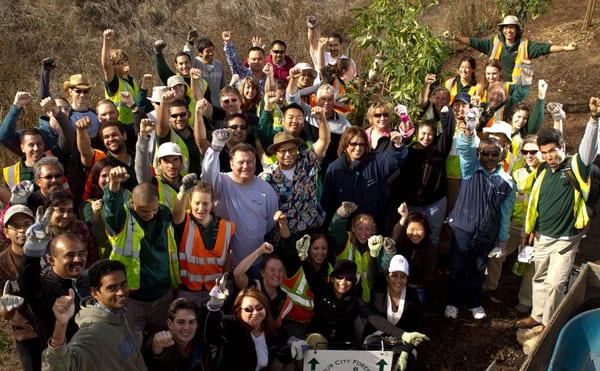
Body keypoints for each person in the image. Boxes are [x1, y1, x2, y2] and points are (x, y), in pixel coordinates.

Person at [517, 98, 600, 335]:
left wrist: (593, 120)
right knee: (539, 278)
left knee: (556, 283)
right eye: (545, 152)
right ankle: (536, 315)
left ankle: (548, 323)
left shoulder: (576, 167)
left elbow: (588, 148)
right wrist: (528, 230)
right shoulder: (543, 170)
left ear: (563, 147)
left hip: (565, 239)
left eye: (553, 150)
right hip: (542, 235)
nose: (549, 156)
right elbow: (533, 202)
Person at [444, 125, 515, 320]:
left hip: (486, 235)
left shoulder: (507, 181)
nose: (489, 158)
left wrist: (502, 241)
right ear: (479, 154)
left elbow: (505, 213)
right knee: (457, 269)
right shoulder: (470, 169)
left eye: (494, 154)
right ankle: (452, 302)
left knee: (477, 271)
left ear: (500, 156)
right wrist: (468, 134)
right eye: (485, 153)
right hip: (462, 231)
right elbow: (465, 150)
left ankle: (474, 303)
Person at [102, 167, 180, 335]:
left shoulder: (164, 214)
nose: (150, 214)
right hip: (133, 297)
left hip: (161, 294)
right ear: (132, 203)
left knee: (162, 339)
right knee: (131, 341)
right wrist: (114, 185)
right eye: (144, 210)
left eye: (154, 209)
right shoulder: (123, 218)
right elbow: (110, 211)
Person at [41, 259, 146, 370]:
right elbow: (59, 367)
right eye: (112, 288)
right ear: (95, 293)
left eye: (123, 284)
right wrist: (61, 324)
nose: (121, 292)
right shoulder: (92, 333)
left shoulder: (121, 313)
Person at [201, 131, 278, 278]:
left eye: (250, 161)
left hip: (256, 262)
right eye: (241, 162)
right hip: (224, 262)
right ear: (231, 163)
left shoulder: (266, 190)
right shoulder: (221, 182)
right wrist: (215, 148)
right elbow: (207, 175)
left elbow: (269, 223)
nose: (246, 166)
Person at [259, 105, 330, 234]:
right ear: (276, 153)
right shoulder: (267, 177)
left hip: (313, 225)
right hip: (286, 234)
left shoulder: (306, 159)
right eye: (282, 151)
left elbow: (324, 142)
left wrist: (322, 120)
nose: (287, 154)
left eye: (291, 149)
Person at [322, 126, 407, 231]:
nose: (358, 148)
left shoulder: (375, 161)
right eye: (353, 144)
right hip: (345, 228)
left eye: (361, 144)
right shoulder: (334, 168)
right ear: (345, 145)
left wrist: (397, 145)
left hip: (373, 225)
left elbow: (393, 161)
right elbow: (327, 201)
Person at [449, 15, 577, 83]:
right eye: (505, 27)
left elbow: (545, 48)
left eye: (511, 27)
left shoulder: (525, 46)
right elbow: (474, 42)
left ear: (517, 30)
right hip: (495, 84)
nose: (508, 30)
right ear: (502, 30)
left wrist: (565, 48)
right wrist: (455, 38)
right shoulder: (495, 44)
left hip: (515, 87)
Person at [19, 228, 90, 350]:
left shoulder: (87, 282)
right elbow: (28, 282)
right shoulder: (44, 290)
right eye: (70, 255)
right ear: (52, 260)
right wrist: (32, 253)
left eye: (82, 254)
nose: (78, 259)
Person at [172, 175, 235, 307]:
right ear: (190, 202)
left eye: (205, 203)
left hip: (215, 290)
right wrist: (183, 192)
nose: (201, 208)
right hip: (187, 290)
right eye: (197, 203)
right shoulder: (185, 221)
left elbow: (228, 258)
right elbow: (177, 212)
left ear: (212, 203)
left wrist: (226, 284)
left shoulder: (227, 226)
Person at [364, 255, 428, 371]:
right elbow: (371, 275)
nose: (398, 280)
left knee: (407, 366)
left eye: (402, 276)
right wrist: (373, 256)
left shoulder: (412, 296)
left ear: (407, 278)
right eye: (394, 275)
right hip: (377, 337)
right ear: (387, 277)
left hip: (403, 341)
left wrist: (405, 352)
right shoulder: (379, 290)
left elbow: (416, 326)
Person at [211, 287, 294, 370]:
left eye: (259, 307)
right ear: (239, 311)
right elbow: (211, 332)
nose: (255, 313)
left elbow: (286, 358)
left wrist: (293, 349)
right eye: (248, 309)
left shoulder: (272, 332)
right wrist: (214, 306)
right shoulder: (230, 331)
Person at [0, 205, 40, 371]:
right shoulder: (2, 264)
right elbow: (3, 312)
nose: (22, 230)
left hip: (57, 326)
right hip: (26, 334)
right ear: (6, 231)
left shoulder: (48, 251)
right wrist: (7, 310)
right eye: (16, 226)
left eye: (27, 223)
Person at [276, 231, 335, 336]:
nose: (320, 253)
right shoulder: (296, 264)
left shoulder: (329, 269)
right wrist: (283, 225)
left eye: (324, 248)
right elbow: (287, 248)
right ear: (308, 248)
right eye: (315, 248)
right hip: (288, 322)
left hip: (311, 325)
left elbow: (319, 292)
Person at [145, 298, 216, 371]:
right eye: (181, 322)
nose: (186, 328)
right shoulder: (162, 341)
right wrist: (157, 346)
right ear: (170, 324)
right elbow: (152, 356)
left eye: (191, 322)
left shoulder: (202, 341)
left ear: (197, 325)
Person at [308, 260, 365, 346]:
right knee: (316, 341)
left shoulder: (355, 299)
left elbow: (373, 317)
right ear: (332, 278)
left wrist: (393, 331)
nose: (343, 282)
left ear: (353, 282)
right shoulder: (321, 291)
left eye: (349, 278)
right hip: (320, 342)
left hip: (344, 345)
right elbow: (308, 272)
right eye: (339, 277)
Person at [45, 190, 99, 268]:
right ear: (49, 211)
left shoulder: (81, 228)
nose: (66, 216)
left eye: (69, 211)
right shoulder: (41, 233)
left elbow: (93, 257)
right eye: (61, 210)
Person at [391, 203, 433, 302]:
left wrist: (413, 283)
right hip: (397, 282)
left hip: (415, 285)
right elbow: (393, 239)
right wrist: (404, 216)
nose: (415, 234)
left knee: (417, 301)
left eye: (419, 230)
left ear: (425, 231)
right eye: (411, 229)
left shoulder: (429, 247)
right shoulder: (402, 242)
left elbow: (428, 272)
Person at [184, 33, 227, 108]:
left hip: (218, 106)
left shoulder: (218, 65)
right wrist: (189, 44)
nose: (211, 53)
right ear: (200, 53)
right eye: (207, 51)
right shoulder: (196, 63)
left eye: (212, 50)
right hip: (201, 106)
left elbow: (223, 86)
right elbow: (187, 57)